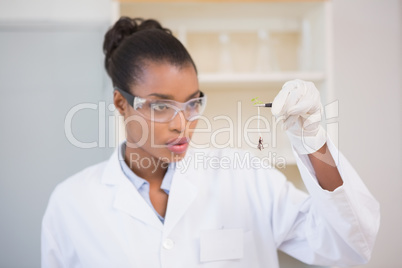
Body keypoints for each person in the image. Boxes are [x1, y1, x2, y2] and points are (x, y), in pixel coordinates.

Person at [41, 17, 380, 268]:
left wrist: (312, 141)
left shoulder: (245, 177)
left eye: (192, 103)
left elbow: (349, 248)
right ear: (120, 103)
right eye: (161, 106)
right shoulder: (71, 204)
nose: (182, 124)